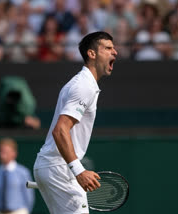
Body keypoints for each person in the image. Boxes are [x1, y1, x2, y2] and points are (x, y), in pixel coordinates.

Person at [33, 31, 117, 214]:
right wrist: (78, 170)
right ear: (92, 53)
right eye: (108, 48)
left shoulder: (85, 84)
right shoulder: (83, 86)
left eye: (114, 48)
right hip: (59, 169)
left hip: (55, 167)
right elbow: (60, 130)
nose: (115, 52)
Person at [0, 138, 35, 214]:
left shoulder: (23, 172)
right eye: (0, 152)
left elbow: (29, 196)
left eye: (5, 152)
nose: (2, 155)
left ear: (14, 153)